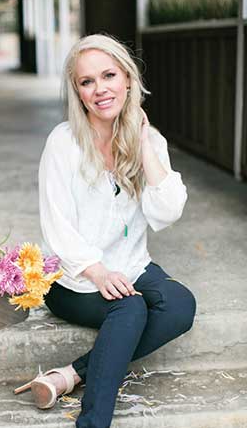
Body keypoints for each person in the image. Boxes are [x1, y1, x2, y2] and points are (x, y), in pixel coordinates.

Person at [14, 34, 196, 428]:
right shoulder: (63, 143)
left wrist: (144, 142)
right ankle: (92, 422)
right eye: (87, 81)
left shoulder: (151, 142)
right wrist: (98, 271)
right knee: (130, 307)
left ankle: (72, 374)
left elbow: (168, 211)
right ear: (78, 92)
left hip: (132, 266)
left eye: (109, 75)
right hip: (73, 279)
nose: (100, 89)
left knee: (180, 305)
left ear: (128, 79)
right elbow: (57, 228)